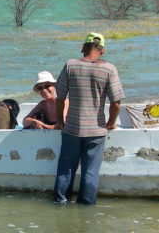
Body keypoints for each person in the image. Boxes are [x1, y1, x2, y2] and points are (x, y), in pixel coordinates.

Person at [53, 33, 124, 205]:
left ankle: (60, 204)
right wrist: (111, 123)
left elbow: (59, 97)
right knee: (90, 173)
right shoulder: (109, 69)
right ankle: (86, 210)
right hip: (96, 130)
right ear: (102, 51)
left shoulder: (70, 65)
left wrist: (60, 121)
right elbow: (116, 102)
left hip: (72, 129)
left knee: (66, 170)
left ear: (83, 47)